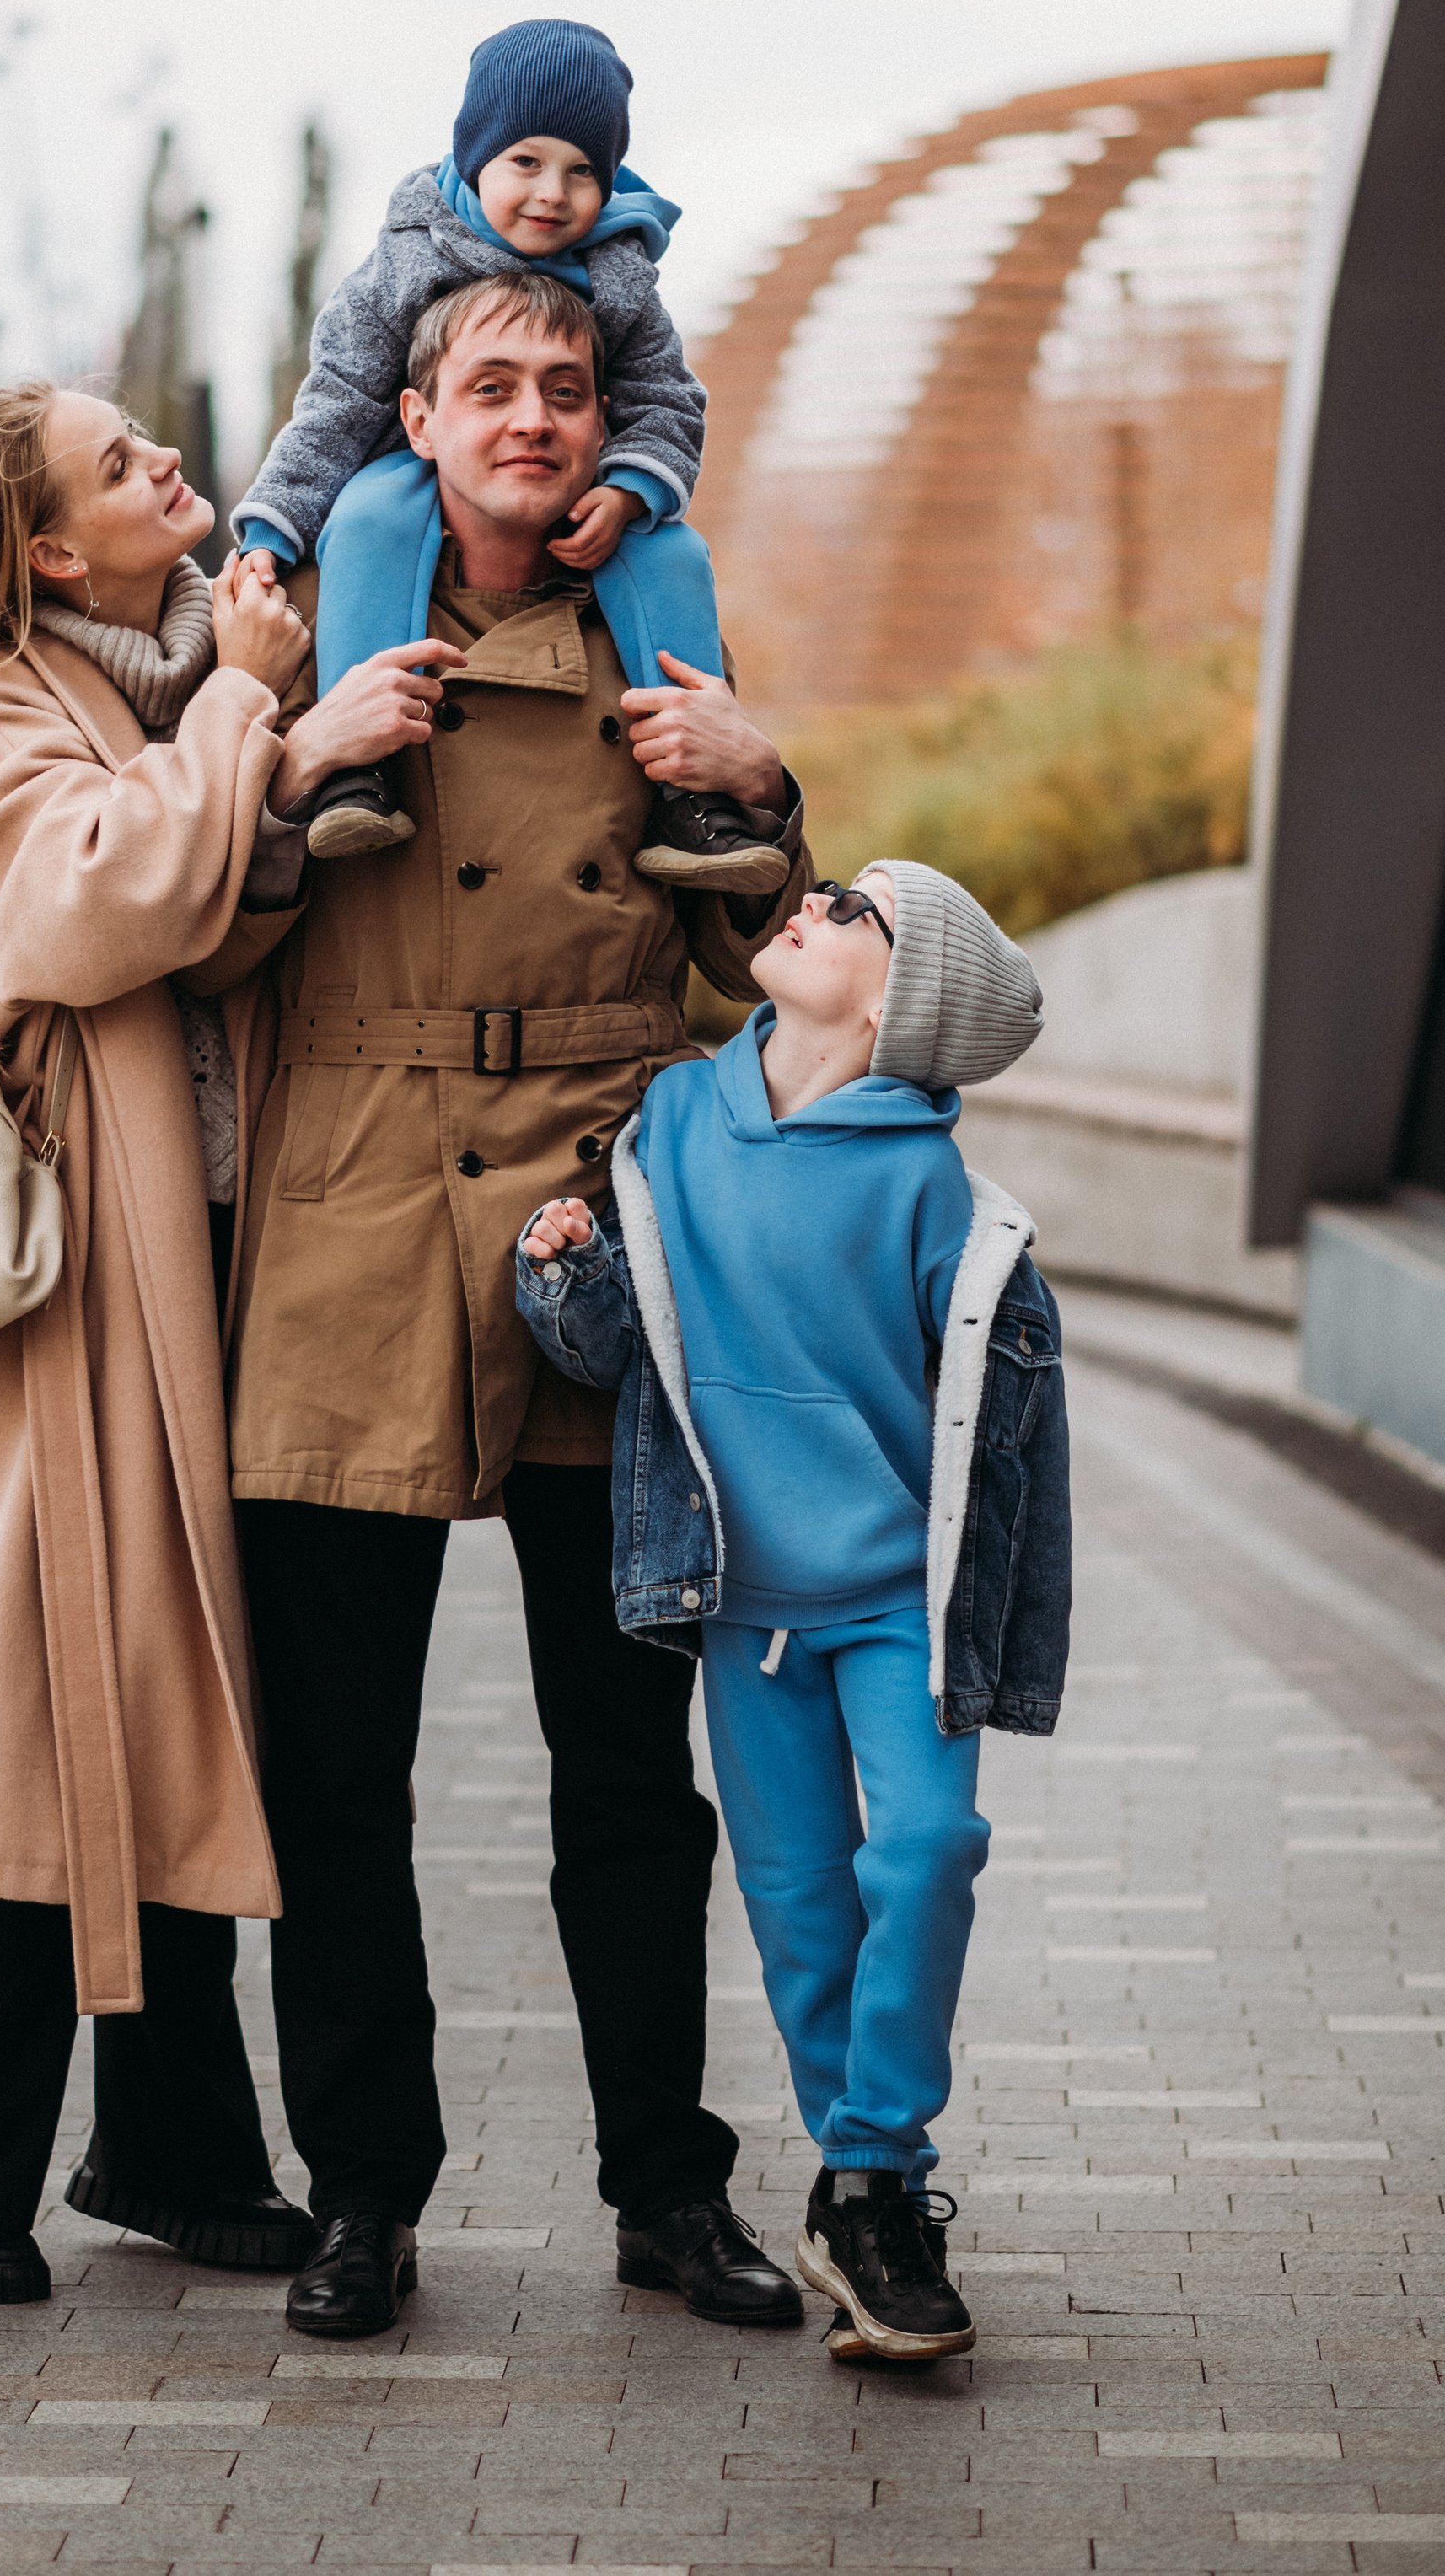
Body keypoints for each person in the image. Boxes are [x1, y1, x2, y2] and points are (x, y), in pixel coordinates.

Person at [225, 261, 815, 2339]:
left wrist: (756, 786)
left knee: (626, 1765)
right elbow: (191, 949)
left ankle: (666, 2186)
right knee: (334, 1764)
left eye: (569, 382)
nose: (537, 413)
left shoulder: (655, 643)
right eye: (493, 380)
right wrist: (287, 765)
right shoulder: (308, 636)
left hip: (596, 1219)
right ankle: (359, 2191)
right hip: (352, 1219)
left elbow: (782, 983)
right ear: (414, 413)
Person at [0, 377, 319, 2306]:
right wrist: (254, 717)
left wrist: (239, 751)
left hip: (179, 1265)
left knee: (173, 1684)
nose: (168, 466)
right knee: (28, 1703)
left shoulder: (149, 678)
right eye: (122, 467)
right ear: (42, 545)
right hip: (68, 1287)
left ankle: (165, 2140)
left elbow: (211, 913)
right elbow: (101, 909)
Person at [516, 861, 1070, 2363]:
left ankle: (878, 2157)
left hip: (898, 1598)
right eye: (817, 890)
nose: (806, 903)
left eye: (847, 909)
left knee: (933, 1842)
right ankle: (866, 2208)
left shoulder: (929, 1181)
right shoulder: (679, 1116)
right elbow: (619, 1334)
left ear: (897, 1000)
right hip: (742, 1604)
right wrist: (555, 1273)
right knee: (801, 1910)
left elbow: (991, 1427)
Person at [229, 17, 787, 894]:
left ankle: (694, 791)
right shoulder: (407, 262)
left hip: (590, 500)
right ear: (474, 159)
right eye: (525, 162)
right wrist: (272, 526)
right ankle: (354, 762)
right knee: (372, 512)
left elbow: (666, 399)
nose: (553, 194)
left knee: (674, 550)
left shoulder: (620, 275)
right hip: (406, 479)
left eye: (582, 173)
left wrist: (632, 488)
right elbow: (337, 401)